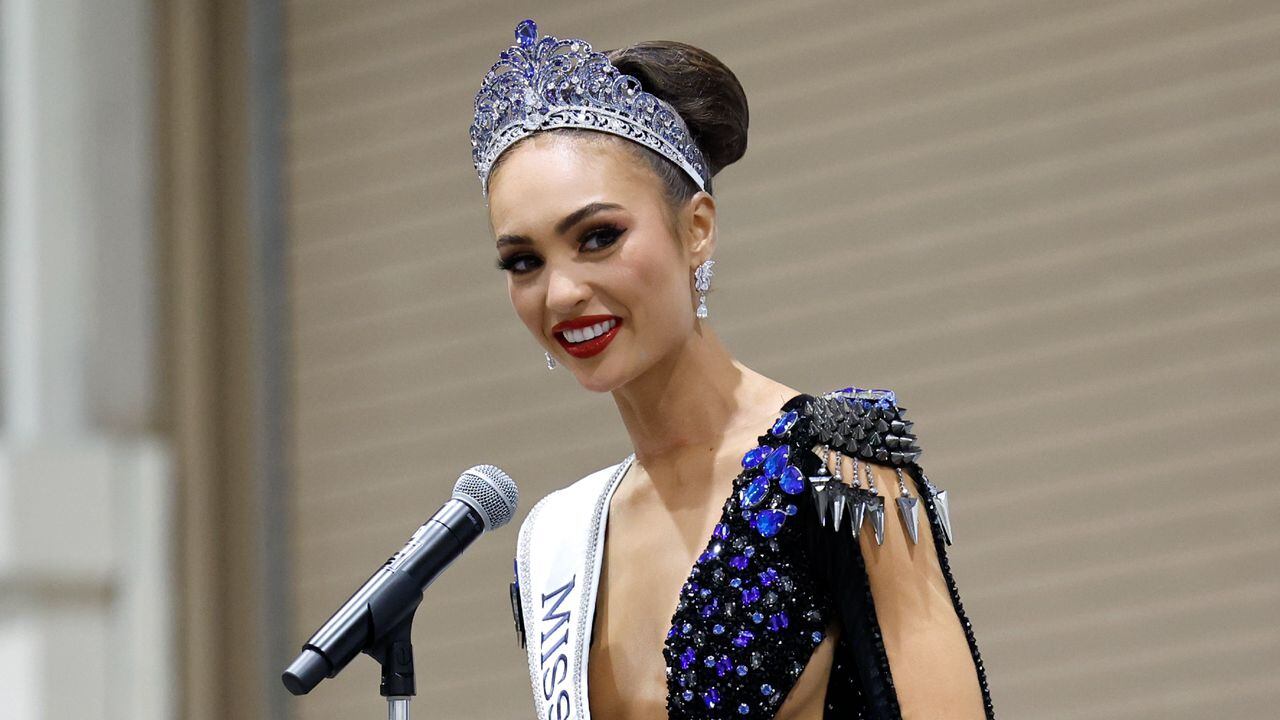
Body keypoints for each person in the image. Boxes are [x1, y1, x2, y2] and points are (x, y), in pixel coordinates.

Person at [470, 19, 994, 720]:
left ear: (697, 229)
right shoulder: (559, 548)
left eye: (598, 237)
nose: (560, 292)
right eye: (524, 262)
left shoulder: (835, 464)